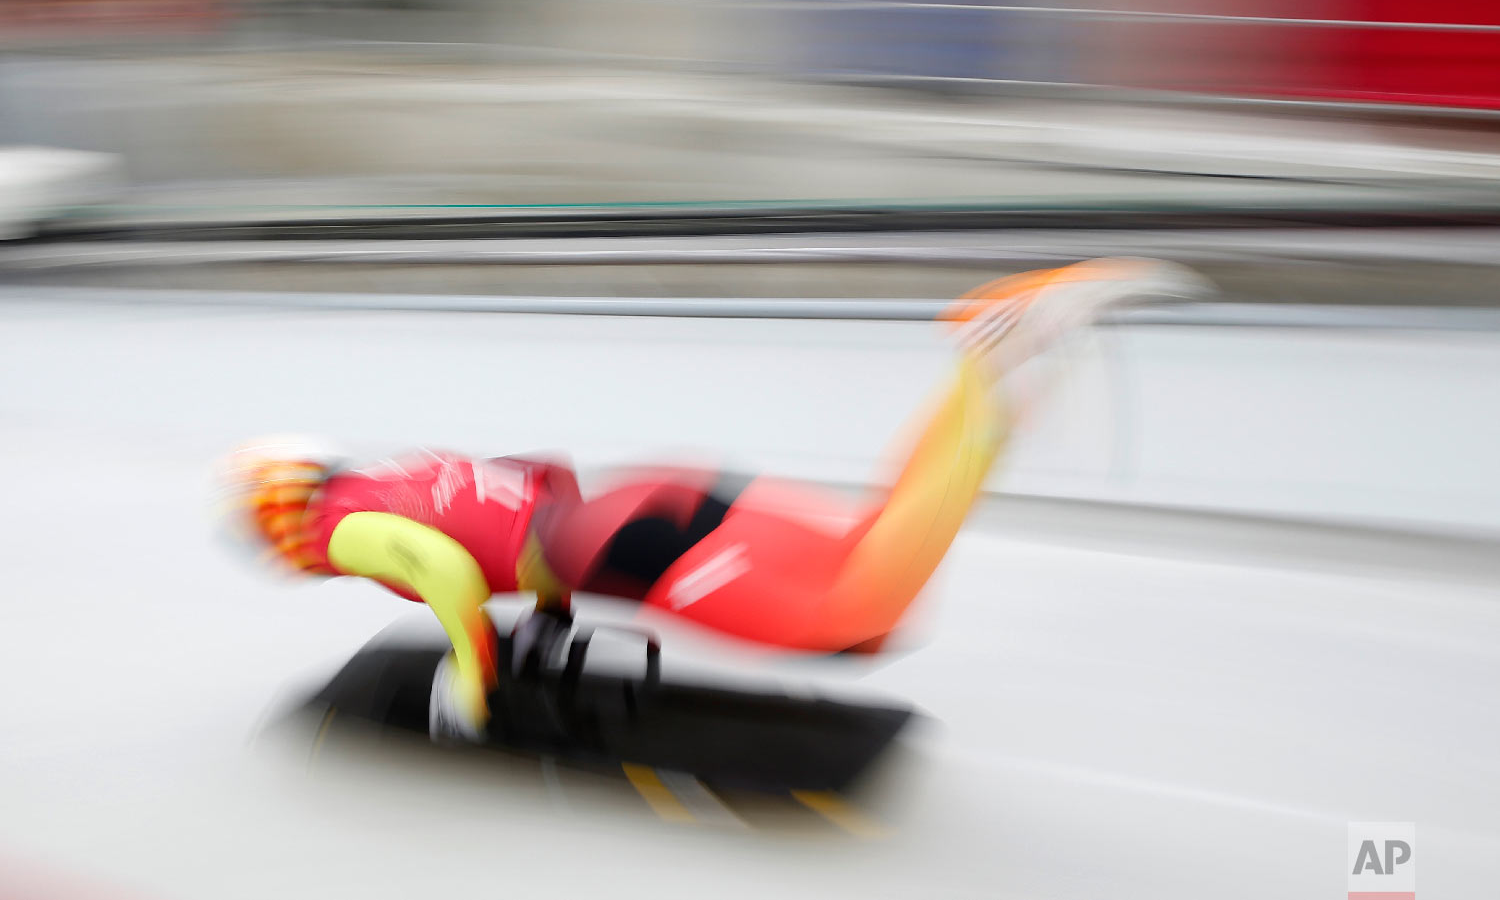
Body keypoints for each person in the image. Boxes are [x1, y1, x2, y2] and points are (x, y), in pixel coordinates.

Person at [218, 258, 1203, 740]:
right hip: (640, 493)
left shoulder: (338, 526)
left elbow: (436, 566)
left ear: (280, 516)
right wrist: (551, 613)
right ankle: (994, 370)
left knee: (863, 606)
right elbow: (536, 476)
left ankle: (989, 358)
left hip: (622, 541)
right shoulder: (397, 468)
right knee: (867, 578)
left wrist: (477, 675)